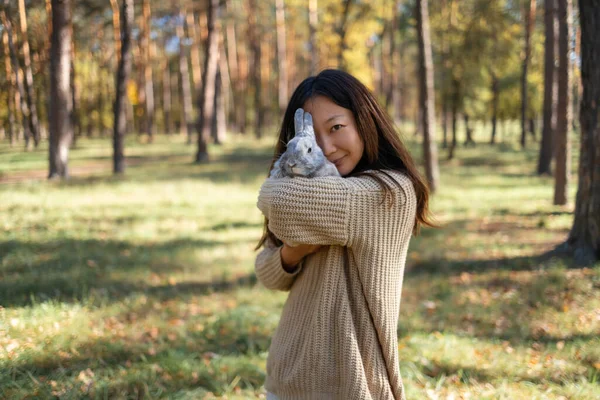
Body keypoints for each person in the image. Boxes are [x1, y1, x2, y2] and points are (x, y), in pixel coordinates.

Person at [255, 69, 435, 400]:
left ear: (365, 121)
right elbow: (268, 271)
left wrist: (290, 202)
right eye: (311, 136)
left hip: (356, 385)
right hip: (288, 377)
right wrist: (295, 252)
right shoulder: (308, 192)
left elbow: (271, 198)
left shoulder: (390, 191)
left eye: (336, 127)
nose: (325, 148)